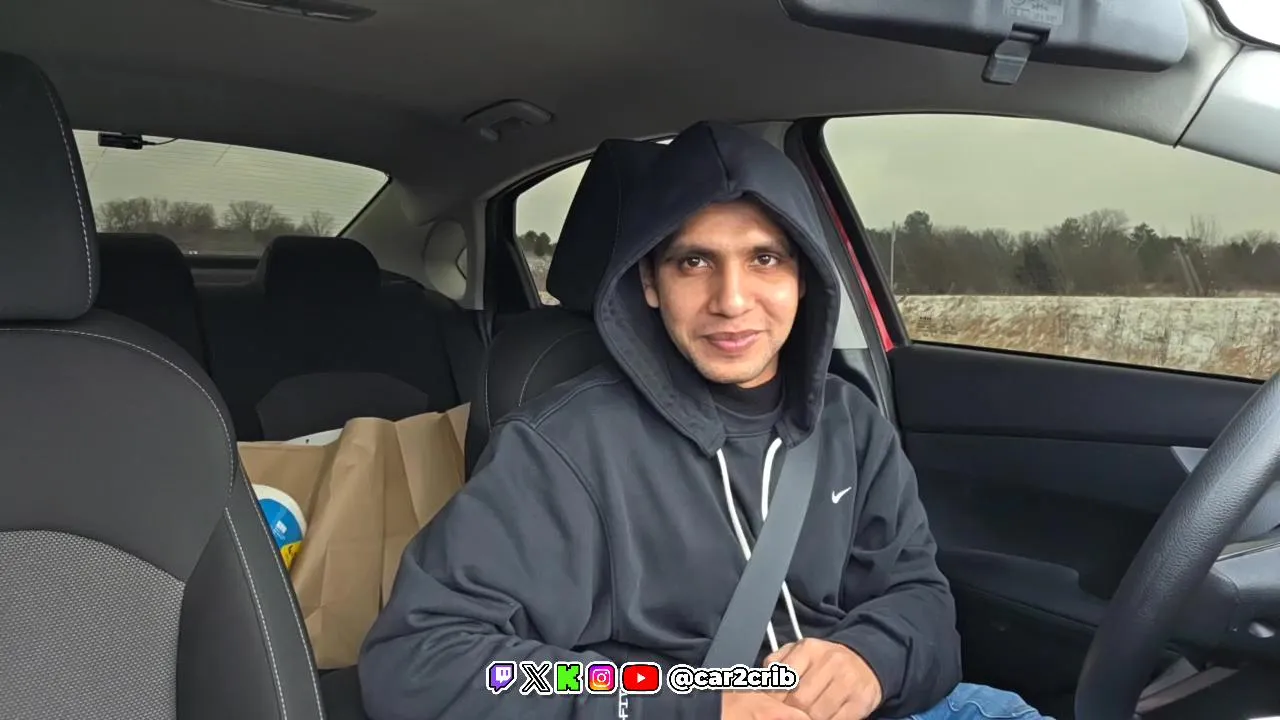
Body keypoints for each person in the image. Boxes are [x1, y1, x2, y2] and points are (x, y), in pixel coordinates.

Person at [359, 121, 1053, 720]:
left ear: (803, 277)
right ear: (650, 282)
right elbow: (429, 660)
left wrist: (871, 658)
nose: (732, 299)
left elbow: (921, 600)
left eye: (764, 259)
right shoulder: (562, 449)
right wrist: (685, 702)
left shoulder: (851, 424)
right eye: (694, 262)